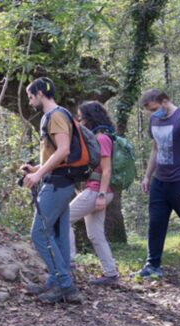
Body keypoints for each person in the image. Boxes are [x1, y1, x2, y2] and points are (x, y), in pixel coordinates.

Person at [19, 77, 81, 304]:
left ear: (40, 94)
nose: (30, 100)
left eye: (30, 96)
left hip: (57, 185)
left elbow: (64, 150)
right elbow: (58, 156)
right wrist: (36, 168)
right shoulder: (58, 115)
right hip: (60, 181)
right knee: (59, 235)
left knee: (39, 233)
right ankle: (58, 282)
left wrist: (37, 175)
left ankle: (64, 284)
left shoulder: (55, 116)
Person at [68, 101, 119, 285]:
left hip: (97, 191)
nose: (79, 121)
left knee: (62, 217)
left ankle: (68, 262)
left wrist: (101, 195)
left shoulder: (101, 139)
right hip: (97, 191)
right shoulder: (99, 137)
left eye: (81, 118)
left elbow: (106, 170)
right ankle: (110, 274)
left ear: (90, 118)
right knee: (96, 235)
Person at [138, 89, 180, 279]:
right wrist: (148, 176)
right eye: (149, 111)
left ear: (165, 101)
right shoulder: (154, 121)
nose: (153, 113)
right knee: (156, 223)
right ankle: (153, 265)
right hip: (160, 181)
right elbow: (155, 149)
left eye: (154, 109)